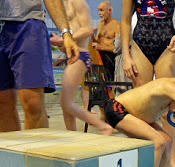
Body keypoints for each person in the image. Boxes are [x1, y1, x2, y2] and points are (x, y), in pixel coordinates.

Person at [121, 0, 175, 167]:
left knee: (169, 107)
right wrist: (126, 55)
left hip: (167, 45)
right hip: (139, 45)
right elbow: (126, 21)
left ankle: (172, 164)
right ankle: (142, 163)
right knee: (139, 110)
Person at [0, 0, 79, 132]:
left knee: (33, 103)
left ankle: (32, 152)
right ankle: (10, 152)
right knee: (3, 103)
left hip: (28, 23)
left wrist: (65, 33)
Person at [50, 0, 113, 135]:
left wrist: (64, 39)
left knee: (66, 104)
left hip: (81, 56)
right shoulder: (61, 5)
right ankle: (71, 136)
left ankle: (103, 126)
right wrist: (60, 43)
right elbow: (67, 42)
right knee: (65, 106)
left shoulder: (78, 2)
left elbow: (87, 29)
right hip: (71, 56)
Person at [93, 1, 120, 81]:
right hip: (100, 58)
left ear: (109, 11)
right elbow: (97, 42)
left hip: (111, 59)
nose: (99, 13)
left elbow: (117, 49)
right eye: (98, 10)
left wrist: (101, 47)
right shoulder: (100, 24)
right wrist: (90, 35)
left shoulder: (117, 25)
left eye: (101, 10)